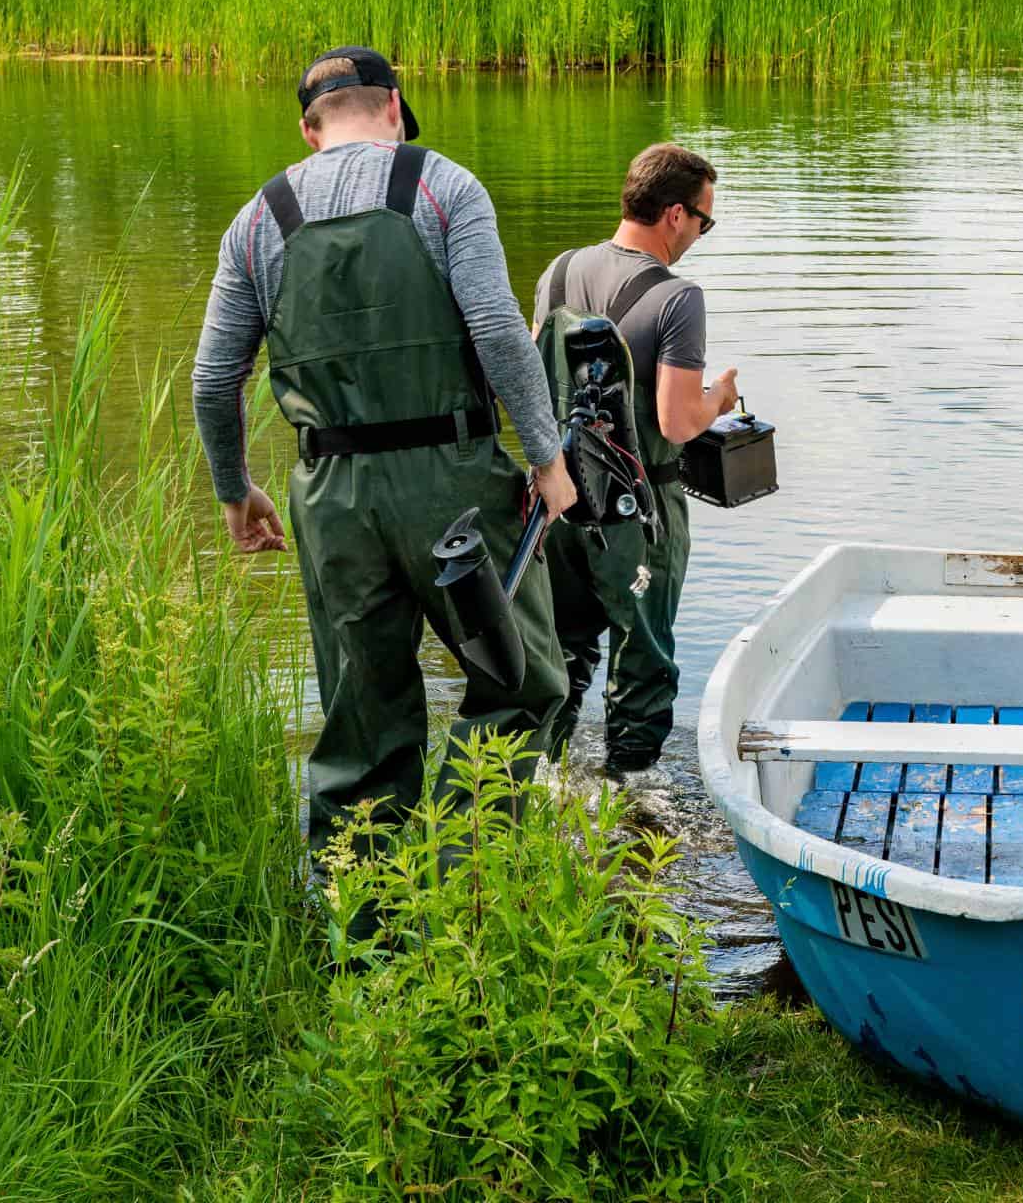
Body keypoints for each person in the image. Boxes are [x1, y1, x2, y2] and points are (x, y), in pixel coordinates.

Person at [193, 45, 576, 866]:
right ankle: (457, 885)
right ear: (395, 109)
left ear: (308, 130)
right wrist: (546, 457)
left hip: (330, 497)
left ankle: (363, 944)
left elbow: (212, 379)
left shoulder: (257, 219)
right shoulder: (443, 186)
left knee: (361, 721)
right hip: (456, 487)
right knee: (526, 683)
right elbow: (500, 332)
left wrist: (236, 492)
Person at [533, 144, 738, 776]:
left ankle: (540, 784)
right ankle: (628, 794)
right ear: (675, 214)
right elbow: (677, 421)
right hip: (640, 512)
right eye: (705, 220)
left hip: (561, 499)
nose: (702, 234)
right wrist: (720, 398)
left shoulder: (559, 273)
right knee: (641, 654)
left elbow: (538, 382)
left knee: (560, 651)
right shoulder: (679, 298)